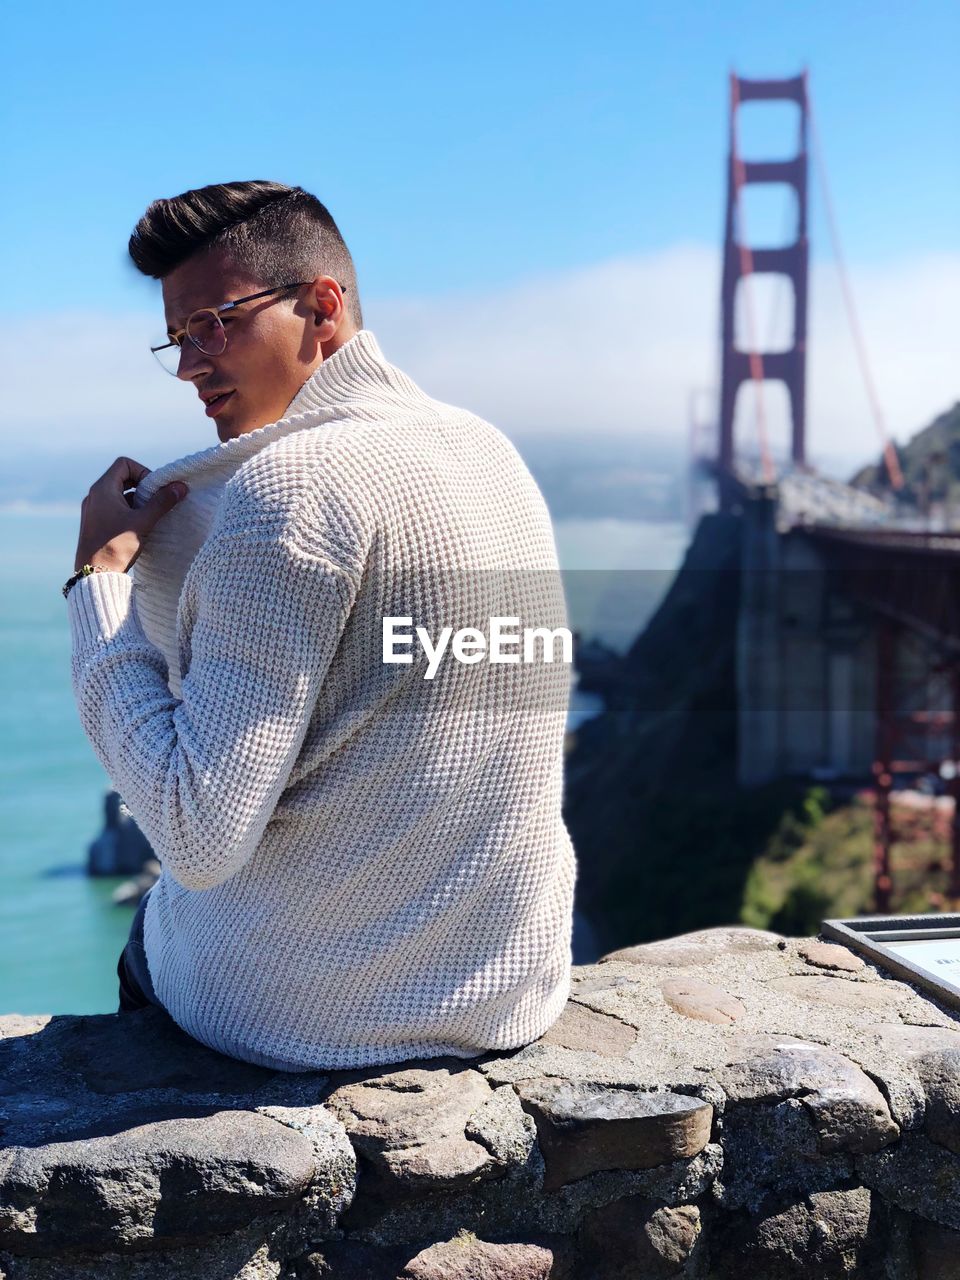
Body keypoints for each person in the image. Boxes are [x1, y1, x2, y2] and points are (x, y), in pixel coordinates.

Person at [65, 180, 577, 1072]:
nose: (191, 364)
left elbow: (194, 835)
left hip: (318, 1017)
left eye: (215, 323)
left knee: (154, 935)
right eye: (178, 337)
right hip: (509, 987)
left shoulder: (290, 490)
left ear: (322, 307)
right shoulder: (487, 447)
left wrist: (99, 583)